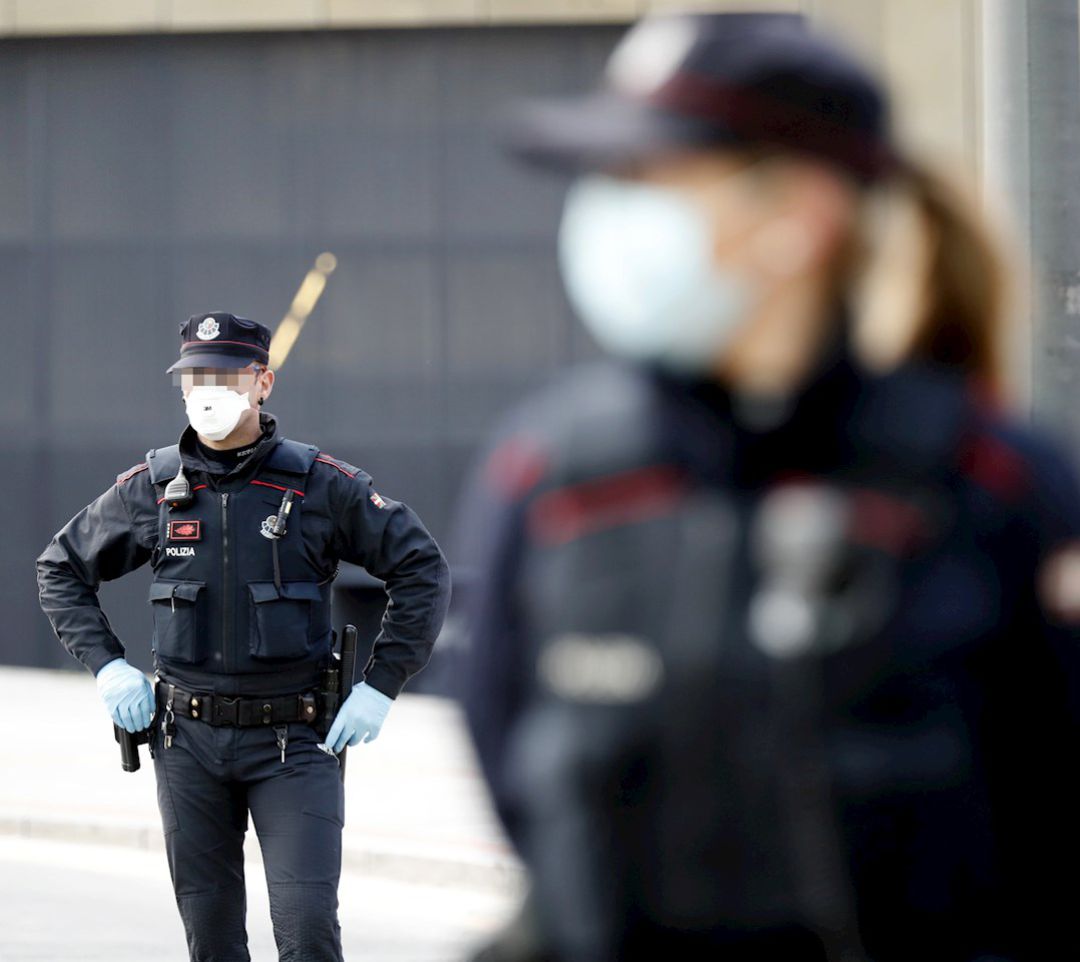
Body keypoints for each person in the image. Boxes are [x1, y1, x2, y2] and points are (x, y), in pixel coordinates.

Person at [456, 12, 1080, 962]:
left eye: (649, 177)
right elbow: (518, 787)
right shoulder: (550, 482)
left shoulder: (992, 490)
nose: (608, 213)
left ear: (801, 215)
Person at [36, 311, 451, 962]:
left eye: (225, 375)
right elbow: (60, 569)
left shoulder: (318, 486)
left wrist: (382, 684)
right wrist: (107, 668)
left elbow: (422, 567)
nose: (207, 390)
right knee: (212, 939)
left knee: (308, 930)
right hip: (187, 745)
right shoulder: (155, 488)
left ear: (262, 383)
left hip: (293, 744)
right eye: (194, 376)